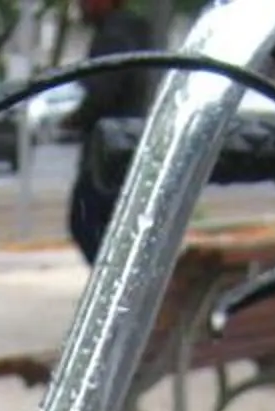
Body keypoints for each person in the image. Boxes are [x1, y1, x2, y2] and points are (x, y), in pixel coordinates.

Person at [68, 0, 160, 260]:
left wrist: (76, 119)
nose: (81, 6)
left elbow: (104, 89)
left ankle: (113, 284)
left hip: (111, 147)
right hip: (127, 143)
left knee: (87, 221)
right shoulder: (133, 30)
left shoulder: (115, 35)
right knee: (113, 225)